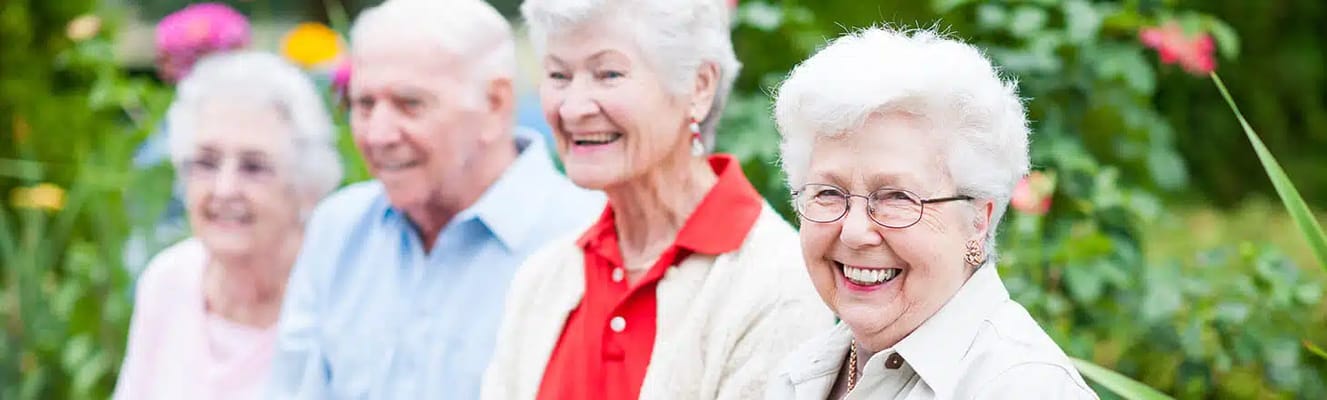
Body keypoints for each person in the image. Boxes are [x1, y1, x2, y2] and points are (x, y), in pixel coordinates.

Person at [481, 0, 833, 399]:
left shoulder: (776, 283)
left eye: (608, 73)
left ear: (699, 87)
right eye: (559, 75)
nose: (573, 107)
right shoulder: (542, 278)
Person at [266, 0, 604, 398]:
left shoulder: (585, 240)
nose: (378, 134)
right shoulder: (340, 228)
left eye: (410, 104)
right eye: (364, 104)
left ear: (494, 104)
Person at [765, 27, 1099, 399]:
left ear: (978, 220)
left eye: (895, 197)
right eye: (828, 192)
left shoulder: (1023, 388)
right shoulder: (804, 372)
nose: (854, 232)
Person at [113, 51, 343, 400]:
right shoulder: (169, 279)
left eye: (253, 167)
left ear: (305, 187)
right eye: (206, 163)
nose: (224, 190)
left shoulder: (335, 303)